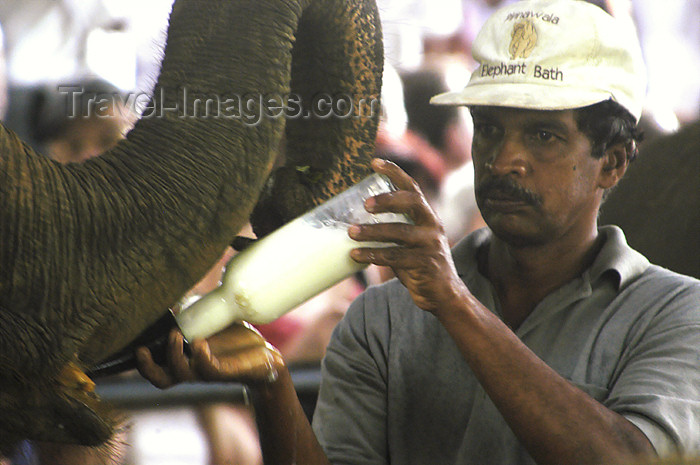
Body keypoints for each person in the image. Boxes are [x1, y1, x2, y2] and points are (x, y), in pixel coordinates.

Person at [137, 1, 700, 464]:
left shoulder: (676, 313)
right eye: (490, 129)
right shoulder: (383, 317)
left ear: (615, 163)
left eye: (545, 136)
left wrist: (454, 303)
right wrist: (271, 382)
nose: (504, 159)